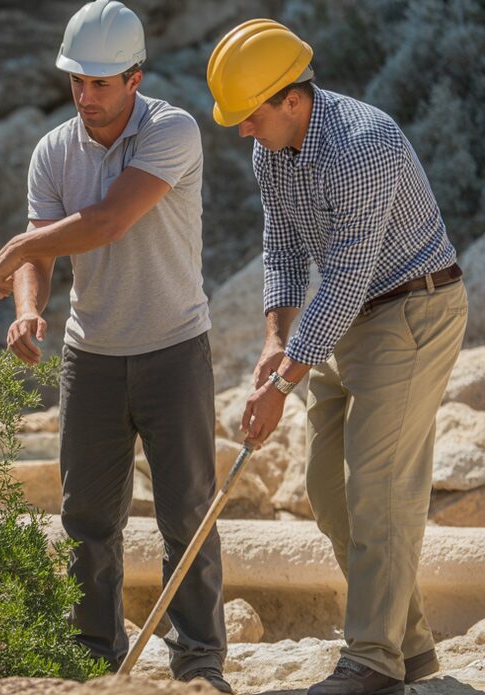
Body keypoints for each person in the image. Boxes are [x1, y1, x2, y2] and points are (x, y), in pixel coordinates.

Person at [207, 19, 468, 695]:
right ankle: (410, 649)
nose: (242, 130)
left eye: (250, 115)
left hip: (413, 309)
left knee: (379, 488)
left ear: (292, 98)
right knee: (327, 490)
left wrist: (284, 380)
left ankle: (372, 659)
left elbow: (348, 275)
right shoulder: (273, 151)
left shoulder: (365, 146)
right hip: (351, 319)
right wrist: (273, 341)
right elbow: (286, 249)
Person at [0, 1, 229, 690]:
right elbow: (47, 249)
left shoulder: (172, 130)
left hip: (175, 349)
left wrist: (21, 243)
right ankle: (94, 655)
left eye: (100, 83)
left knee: (187, 508)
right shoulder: (52, 151)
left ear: (135, 77)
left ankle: (200, 660)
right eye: (76, 82)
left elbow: (108, 220)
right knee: (87, 516)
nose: (85, 96)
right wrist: (29, 310)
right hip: (89, 357)